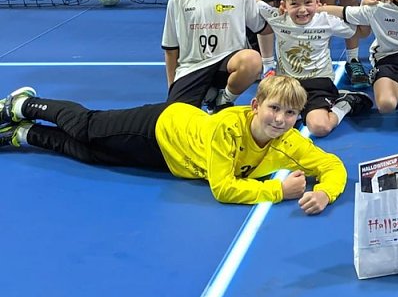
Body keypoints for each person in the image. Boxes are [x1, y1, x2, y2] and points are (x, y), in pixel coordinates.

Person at [0, 76, 347, 213]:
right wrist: (278, 191)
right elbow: (223, 188)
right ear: (256, 106)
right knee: (87, 128)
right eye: (274, 108)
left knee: (91, 154)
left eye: (290, 113)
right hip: (161, 127)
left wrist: (324, 193)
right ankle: (22, 105)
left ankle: (24, 134)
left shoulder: (289, 141)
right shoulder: (228, 128)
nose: (280, 119)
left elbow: (332, 166)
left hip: (169, 161)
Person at [255, 0, 372, 137]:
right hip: (287, 84)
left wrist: (332, 10)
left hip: (318, 83)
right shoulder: (277, 18)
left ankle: (346, 103)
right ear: (284, 5)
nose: (302, 10)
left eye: (308, 2)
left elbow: (363, 32)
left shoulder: (326, 20)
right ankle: (299, 109)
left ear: (317, 1)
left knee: (319, 127)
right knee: (265, 120)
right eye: (294, 4)